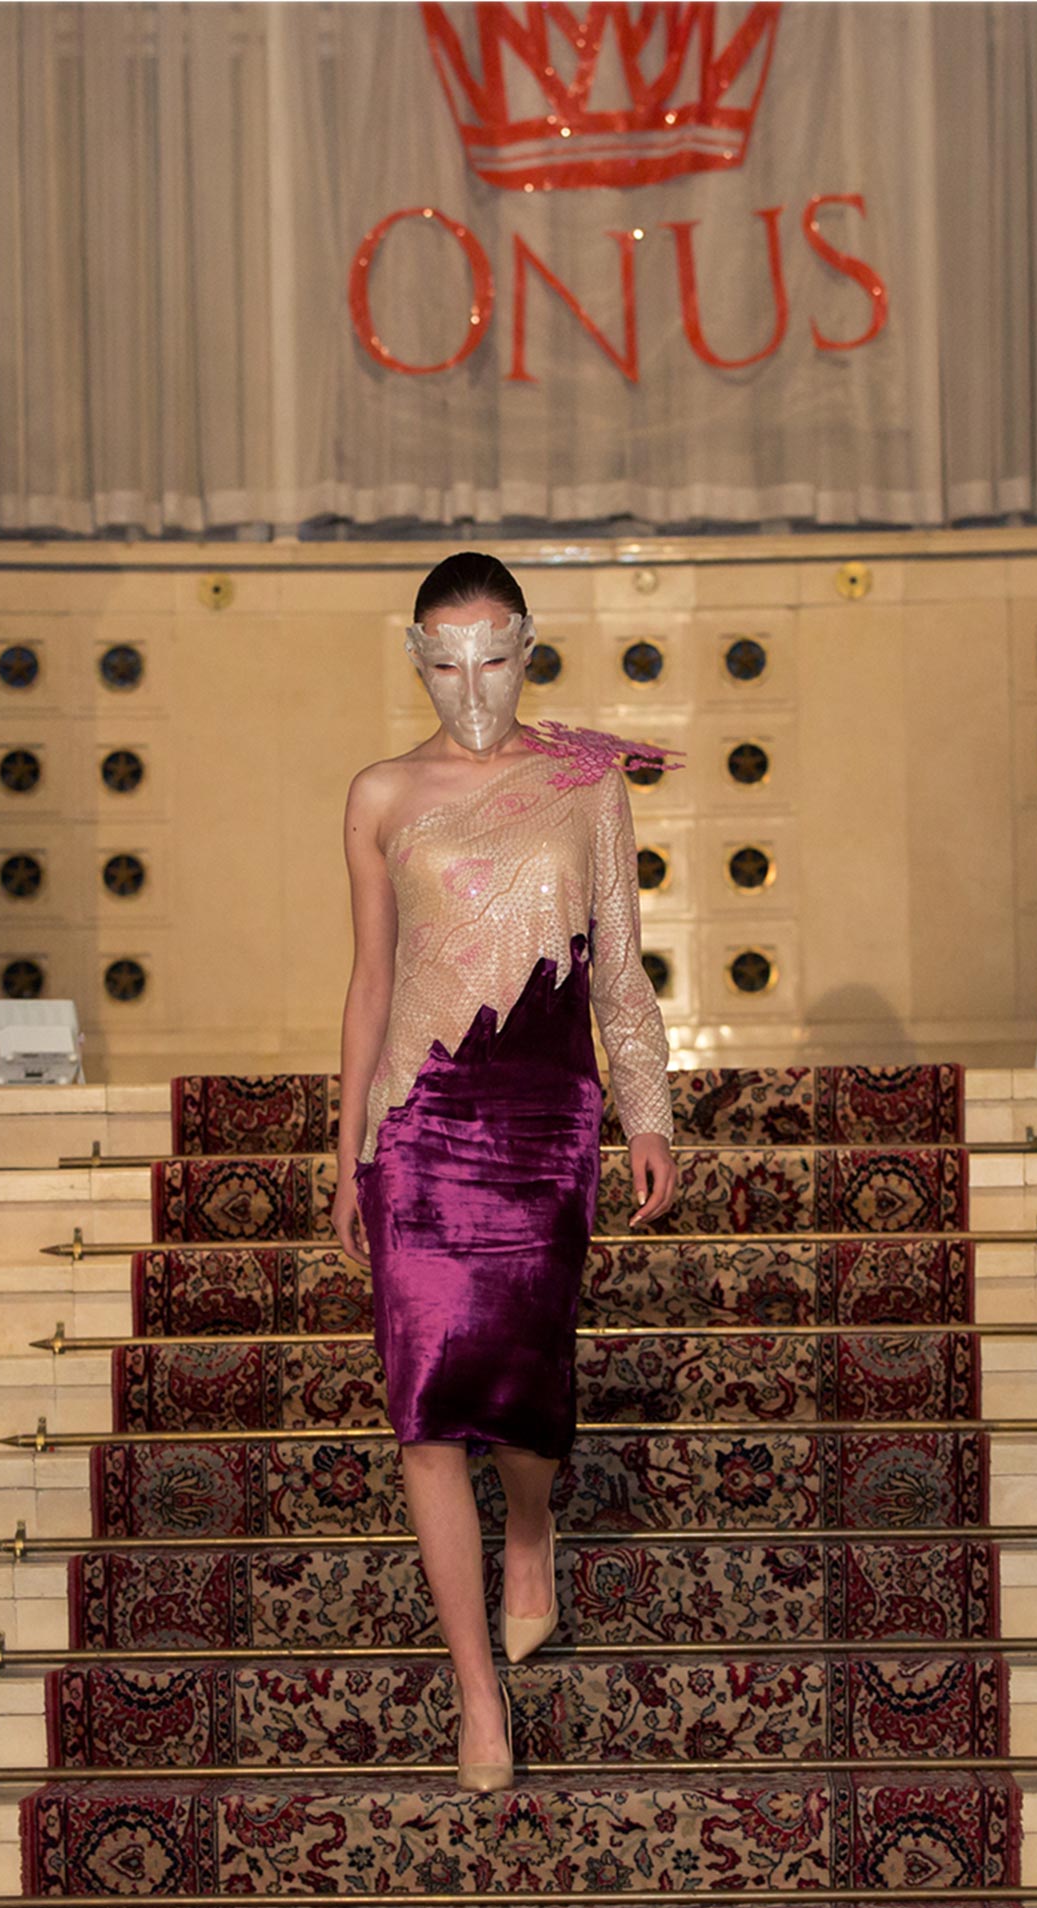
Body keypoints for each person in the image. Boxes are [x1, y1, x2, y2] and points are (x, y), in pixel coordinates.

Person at [331, 550, 683, 1792]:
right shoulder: (380, 793)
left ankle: (529, 1522)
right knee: (426, 1410)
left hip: (544, 1116)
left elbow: (621, 970)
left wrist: (647, 1113)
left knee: (527, 1391)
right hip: (418, 1119)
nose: (470, 684)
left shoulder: (586, 783)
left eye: (492, 657)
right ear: (415, 657)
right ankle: (479, 1695)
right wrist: (347, 1148)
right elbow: (371, 979)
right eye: (444, 661)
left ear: (527, 648)